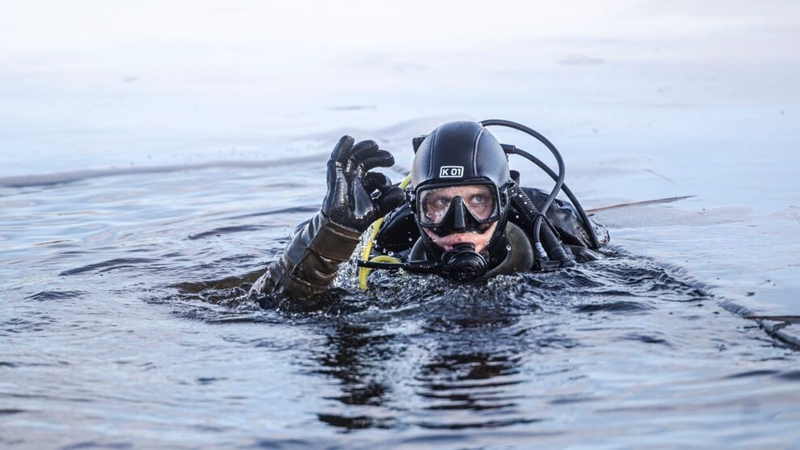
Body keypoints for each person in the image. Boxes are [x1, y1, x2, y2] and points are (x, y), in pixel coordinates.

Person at [251, 121, 608, 306]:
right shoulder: (390, 253)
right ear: (415, 207)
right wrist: (333, 233)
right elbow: (274, 310)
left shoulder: (554, 244)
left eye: (477, 201)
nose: (459, 224)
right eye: (438, 204)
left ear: (504, 201)